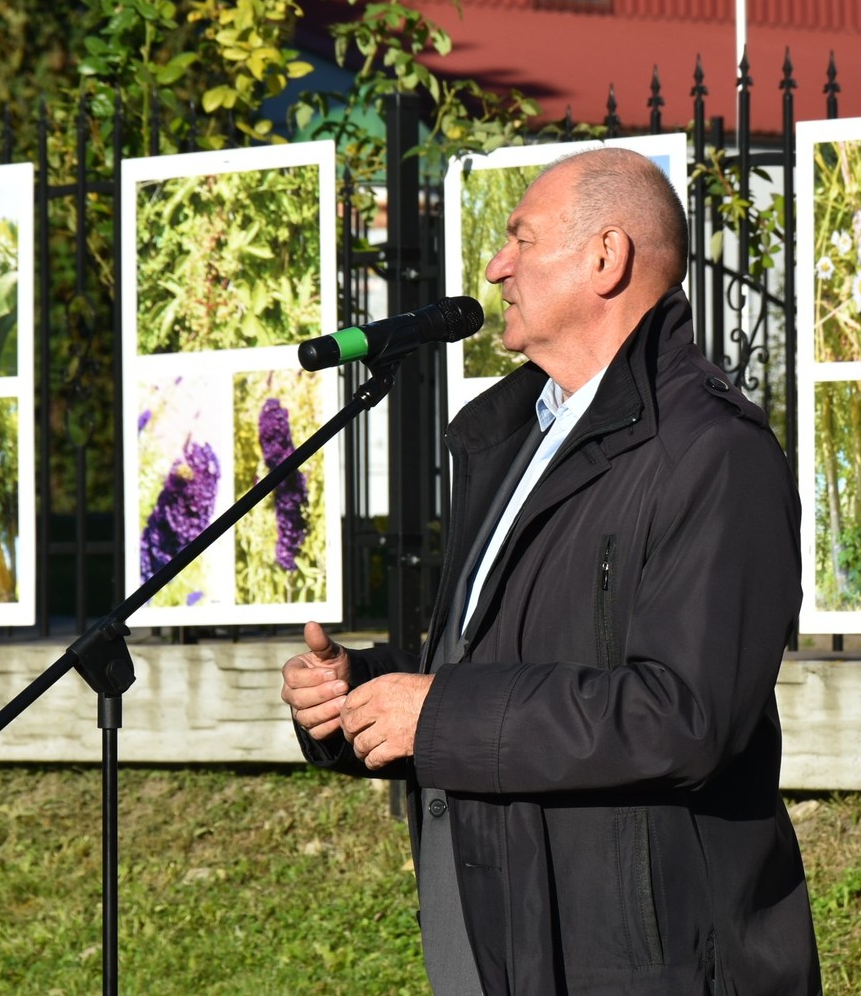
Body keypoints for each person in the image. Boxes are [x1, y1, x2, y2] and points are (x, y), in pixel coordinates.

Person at [281, 146, 819, 995]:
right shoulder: (512, 437)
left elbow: (683, 715)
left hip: (648, 962)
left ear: (607, 257)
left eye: (522, 240)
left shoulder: (713, 453)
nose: (496, 266)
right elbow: (514, 664)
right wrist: (365, 694)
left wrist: (441, 714)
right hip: (503, 930)